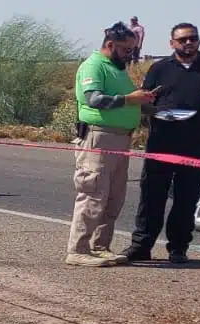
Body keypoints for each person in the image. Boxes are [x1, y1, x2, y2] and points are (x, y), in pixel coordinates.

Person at [123, 23, 200, 264]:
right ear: (172, 43)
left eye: (192, 38)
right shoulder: (159, 69)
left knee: (187, 197)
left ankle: (179, 248)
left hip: (197, 144)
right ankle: (141, 245)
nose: (188, 43)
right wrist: (157, 109)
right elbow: (143, 102)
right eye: (182, 40)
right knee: (151, 195)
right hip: (161, 142)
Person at [67, 22, 156, 267]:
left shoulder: (117, 69)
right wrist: (130, 99)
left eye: (133, 50)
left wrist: (146, 102)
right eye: (127, 50)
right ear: (110, 45)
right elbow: (94, 99)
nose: (131, 55)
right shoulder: (94, 66)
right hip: (99, 138)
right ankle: (78, 249)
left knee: (113, 197)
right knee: (93, 193)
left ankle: (100, 246)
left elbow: (127, 102)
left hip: (120, 138)